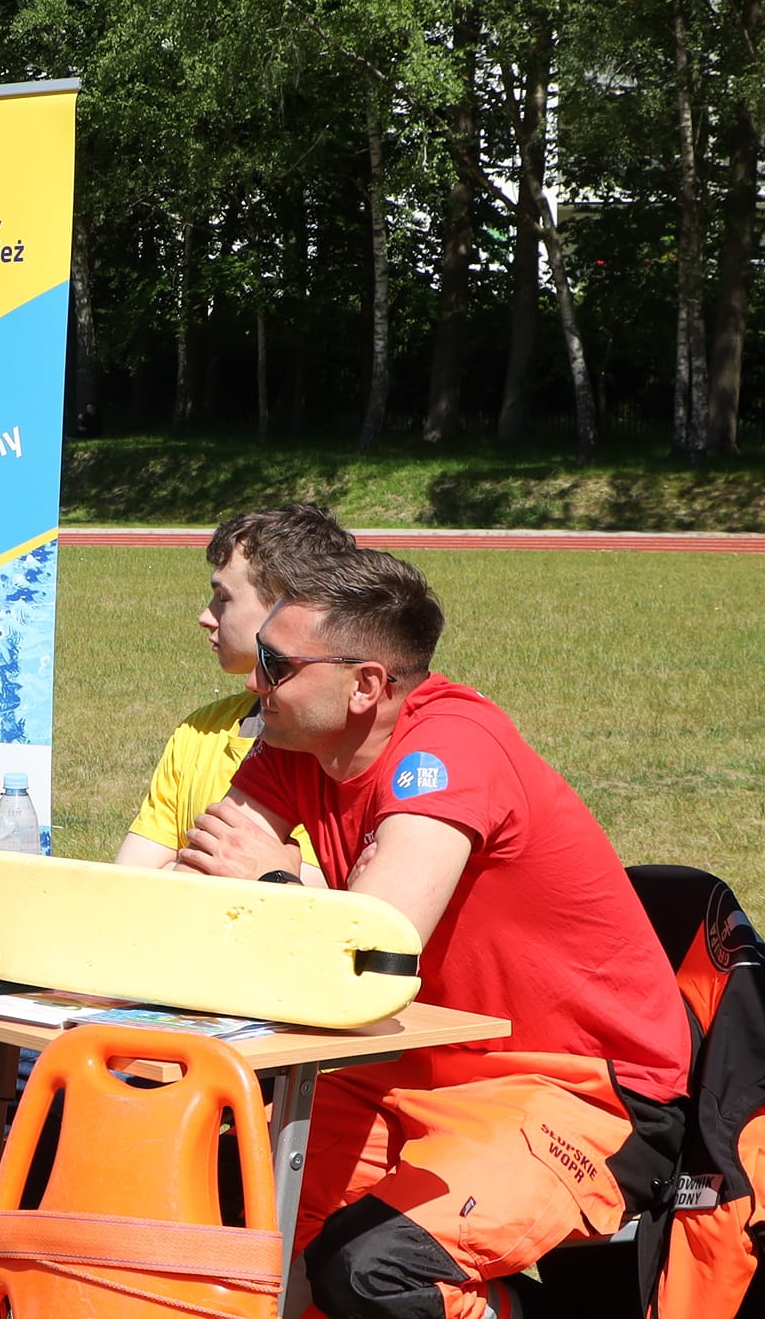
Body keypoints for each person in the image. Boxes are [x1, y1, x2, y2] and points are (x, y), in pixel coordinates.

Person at [179, 547, 691, 1319]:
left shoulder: (448, 747)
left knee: (371, 1270)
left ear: (366, 685)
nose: (256, 682)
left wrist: (275, 885)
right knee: (222, 1202)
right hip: (401, 1065)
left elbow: (375, 953)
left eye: (278, 665)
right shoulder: (295, 745)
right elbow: (199, 885)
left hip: (576, 1091)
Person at [111, 504, 354, 873]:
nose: (205, 617)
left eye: (222, 598)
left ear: (288, 605)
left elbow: (314, 891)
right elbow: (130, 880)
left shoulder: (331, 750)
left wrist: (177, 870)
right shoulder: (198, 731)